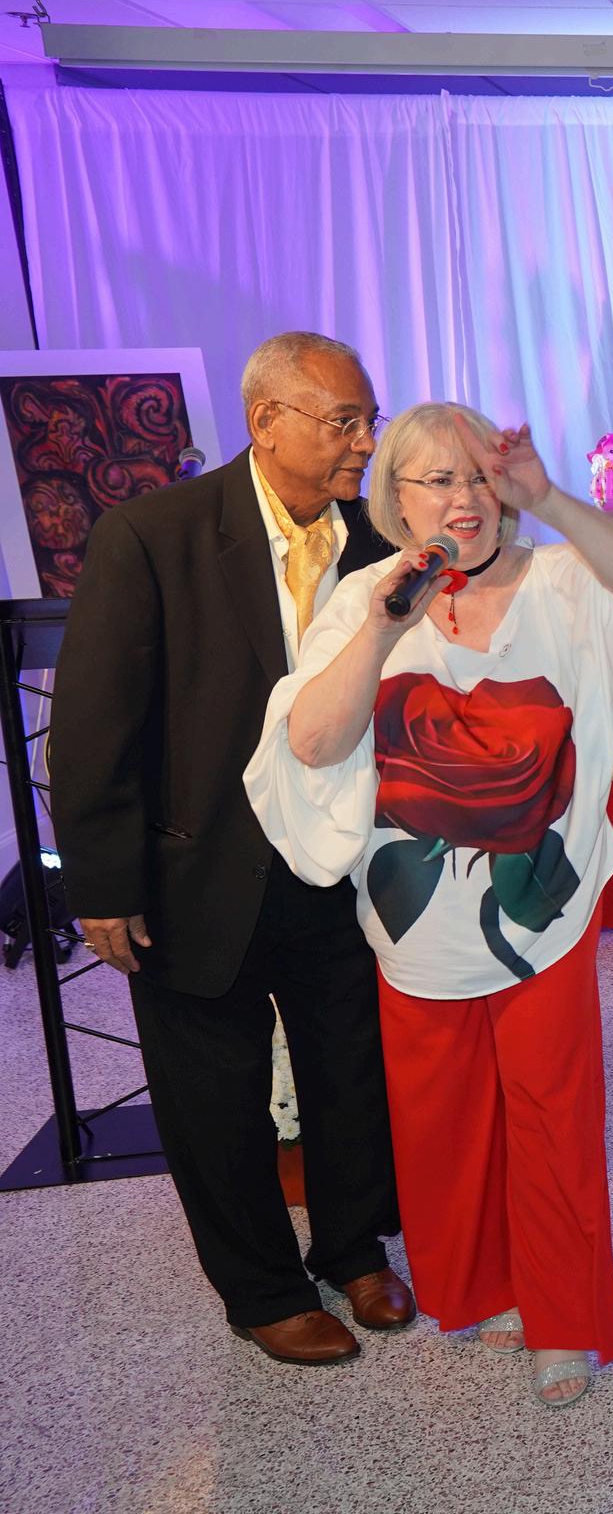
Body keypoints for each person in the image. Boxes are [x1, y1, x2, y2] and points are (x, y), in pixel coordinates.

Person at [245, 402, 613, 1405]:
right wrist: (383, 628)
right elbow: (312, 742)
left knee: (551, 1116)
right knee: (445, 1122)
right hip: (415, 926)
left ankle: (563, 1319)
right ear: (396, 500)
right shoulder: (366, 596)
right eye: (437, 480)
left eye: (478, 476)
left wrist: (554, 499)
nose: (464, 497)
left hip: (539, 913)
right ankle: (491, 1287)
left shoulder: (565, 579)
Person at [50, 331, 411, 1367]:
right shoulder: (153, 534)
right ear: (267, 422)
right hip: (197, 866)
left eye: (370, 419)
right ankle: (261, 1288)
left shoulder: (381, 543)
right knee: (216, 1093)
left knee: (351, 1069)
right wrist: (103, 883)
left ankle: (355, 1249)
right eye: (344, 421)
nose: (364, 442)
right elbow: (95, 720)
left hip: (337, 863)